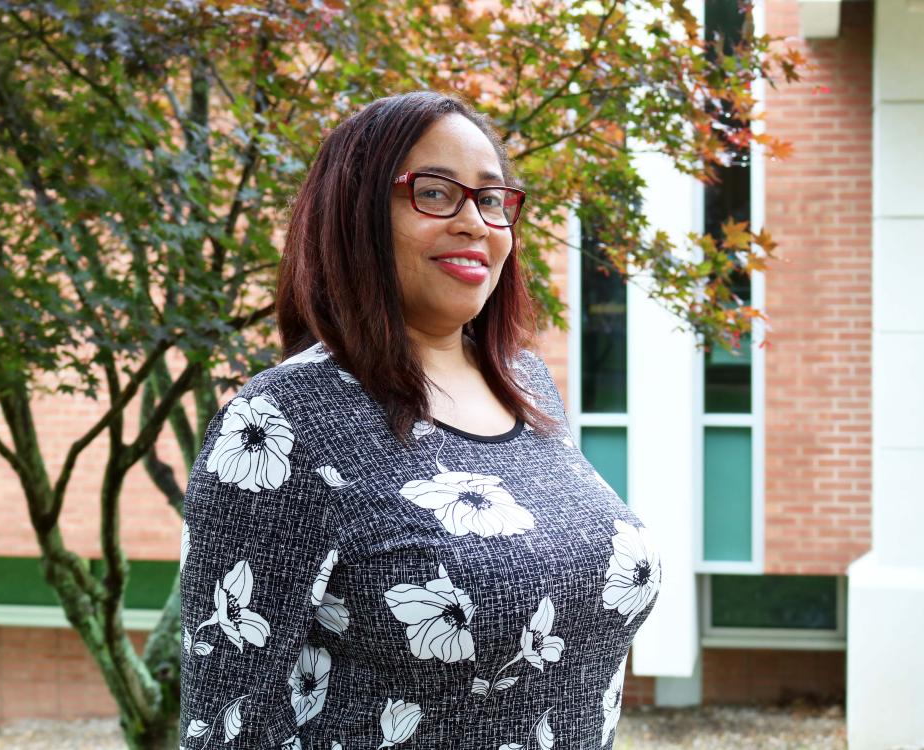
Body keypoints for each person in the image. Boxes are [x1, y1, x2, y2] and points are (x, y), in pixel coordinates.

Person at [178, 91, 661, 750]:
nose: (475, 222)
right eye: (435, 193)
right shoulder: (281, 420)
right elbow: (229, 725)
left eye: (491, 199)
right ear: (355, 215)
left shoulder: (526, 381)